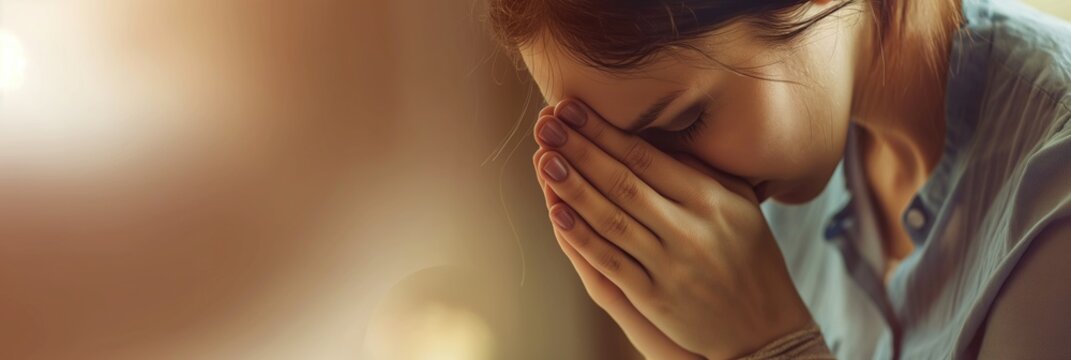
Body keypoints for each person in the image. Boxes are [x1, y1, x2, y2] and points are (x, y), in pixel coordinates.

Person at [489, 0, 1071, 358]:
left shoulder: (1052, 195)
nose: (680, 195)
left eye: (687, 120)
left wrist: (770, 344)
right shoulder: (791, 168)